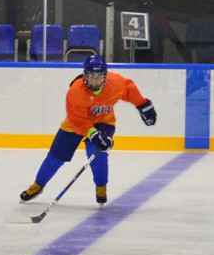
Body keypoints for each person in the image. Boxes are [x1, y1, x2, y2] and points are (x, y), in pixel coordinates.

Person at [19, 54, 155, 206]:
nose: (95, 80)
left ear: (105, 76)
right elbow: (78, 121)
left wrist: (142, 104)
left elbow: (129, 89)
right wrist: (93, 134)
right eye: (91, 76)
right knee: (56, 156)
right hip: (75, 123)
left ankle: (101, 186)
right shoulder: (75, 92)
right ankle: (38, 185)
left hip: (104, 122)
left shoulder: (115, 82)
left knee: (96, 152)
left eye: (99, 76)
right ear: (85, 76)